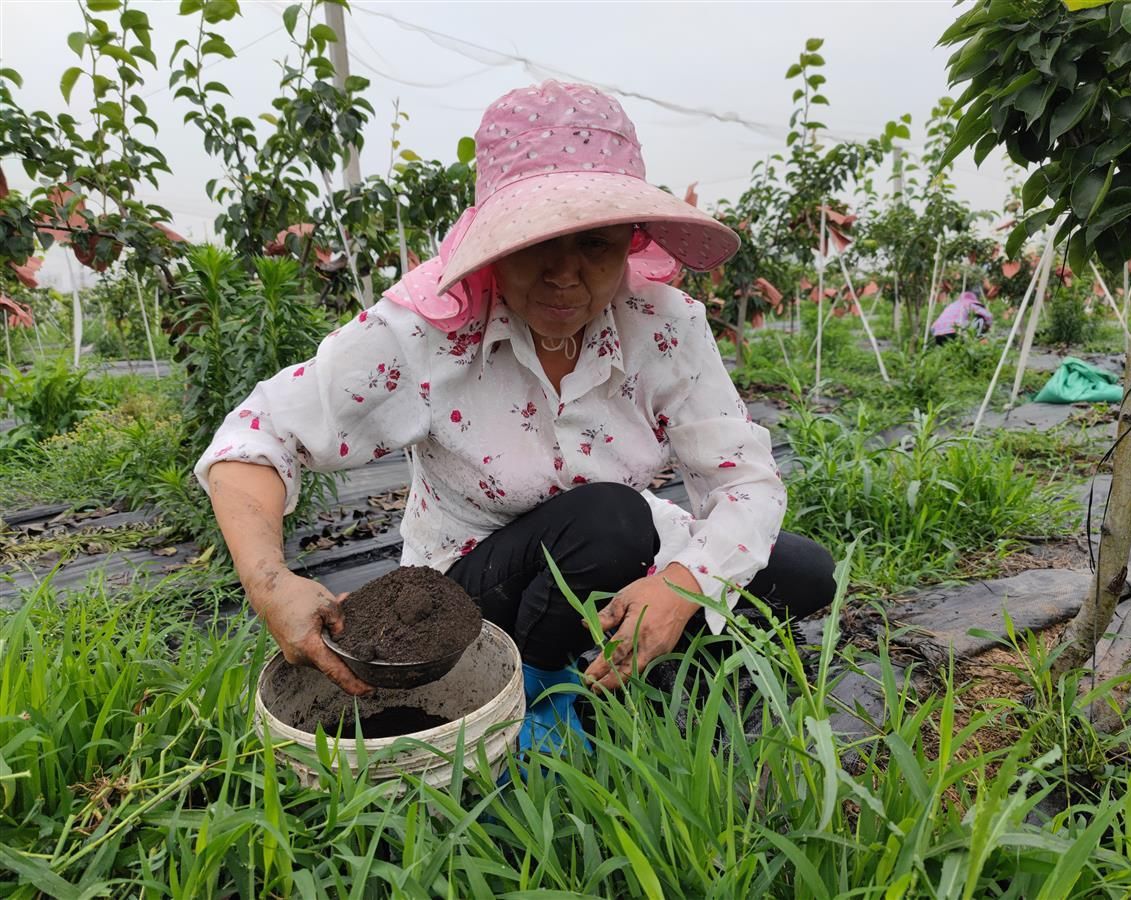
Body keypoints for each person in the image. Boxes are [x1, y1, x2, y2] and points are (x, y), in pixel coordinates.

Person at [196, 81, 836, 746]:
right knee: (609, 520)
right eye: (536, 244)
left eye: (595, 245)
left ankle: (640, 641)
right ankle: (529, 688)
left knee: (801, 572)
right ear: (494, 243)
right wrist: (270, 582)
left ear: (631, 240)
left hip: (625, 548)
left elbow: (744, 482)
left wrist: (680, 587)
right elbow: (258, 432)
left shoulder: (663, 326)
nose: (565, 275)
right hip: (472, 583)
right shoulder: (425, 335)